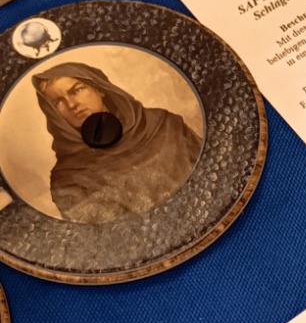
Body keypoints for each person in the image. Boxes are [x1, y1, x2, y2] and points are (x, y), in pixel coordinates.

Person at [32, 61, 202, 224]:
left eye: (77, 90)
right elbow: (115, 236)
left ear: (99, 89)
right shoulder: (68, 179)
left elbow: (209, 171)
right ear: (53, 114)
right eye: (58, 102)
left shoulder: (164, 124)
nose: (72, 104)